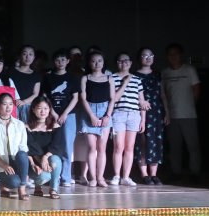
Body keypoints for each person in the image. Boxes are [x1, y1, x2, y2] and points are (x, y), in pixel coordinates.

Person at [161, 43, 201, 182]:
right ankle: (176, 172)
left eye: (176, 53)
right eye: (170, 54)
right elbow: (164, 94)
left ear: (181, 55)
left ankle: (195, 173)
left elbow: (196, 89)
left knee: (192, 146)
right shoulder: (165, 72)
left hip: (188, 115)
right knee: (174, 146)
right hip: (171, 116)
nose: (173, 56)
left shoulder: (189, 70)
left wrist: (190, 105)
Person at [44, 49, 80, 187]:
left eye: (63, 59)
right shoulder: (48, 77)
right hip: (51, 114)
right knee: (52, 145)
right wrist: (53, 113)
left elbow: (75, 98)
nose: (60, 62)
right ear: (54, 62)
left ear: (68, 61)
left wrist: (65, 114)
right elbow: (46, 97)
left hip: (69, 115)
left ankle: (66, 177)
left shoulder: (72, 78)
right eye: (57, 60)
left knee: (67, 146)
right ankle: (54, 176)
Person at [79, 51, 115, 188]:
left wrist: (107, 116)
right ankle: (92, 177)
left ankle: (100, 178)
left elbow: (112, 99)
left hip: (105, 111)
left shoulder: (109, 78)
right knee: (91, 147)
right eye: (93, 61)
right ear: (89, 63)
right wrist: (92, 116)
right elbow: (83, 99)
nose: (97, 63)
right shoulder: (85, 78)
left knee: (102, 148)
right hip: (89, 111)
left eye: (99, 60)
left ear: (104, 62)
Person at [0, 92, 30, 199]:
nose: (8, 107)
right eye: (5, 104)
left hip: (16, 160)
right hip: (0, 162)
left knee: (22, 154)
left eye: (10, 104)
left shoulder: (19, 124)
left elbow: (23, 147)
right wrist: (4, 165)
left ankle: (22, 189)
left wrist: (25, 167)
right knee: (14, 182)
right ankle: (4, 184)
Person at [110, 52, 145, 187]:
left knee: (129, 147)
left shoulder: (137, 79)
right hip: (118, 113)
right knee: (118, 146)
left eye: (126, 61)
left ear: (130, 63)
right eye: (120, 61)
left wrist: (143, 120)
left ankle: (126, 177)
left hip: (134, 115)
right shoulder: (112, 78)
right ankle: (116, 175)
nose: (123, 63)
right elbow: (114, 98)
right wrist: (125, 83)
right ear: (117, 63)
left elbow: (141, 101)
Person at [134, 47, 166, 185]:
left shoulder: (158, 74)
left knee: (156, 141)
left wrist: (167, 112)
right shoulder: (134, 75)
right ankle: (144, 174)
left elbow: (162, 94)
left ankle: (154, 174)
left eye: (150, 55)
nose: (148, 58)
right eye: (144, 55)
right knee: (142, 142)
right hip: (139, 111)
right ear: (139, 58)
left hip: (156, 111)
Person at [25, 95, 64, 198]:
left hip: (49, 161)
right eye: (39, 108)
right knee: (43, 176)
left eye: (46, 108)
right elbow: (28, 148)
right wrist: (35, 162)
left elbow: (57, 146)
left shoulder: (55, 126)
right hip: (33, 162)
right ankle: (37, 186)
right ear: (33, 109)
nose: (43, 111)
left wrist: (45, 157)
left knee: (55, 159)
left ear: (49, 109)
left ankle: (53, 189)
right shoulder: (26, 127)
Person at [10, 45, 41, 121]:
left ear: (34, 57)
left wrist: (23, 102)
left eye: (30, 54)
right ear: (20, 56)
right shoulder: (11, 71)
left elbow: (36, 93)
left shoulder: (36, 75)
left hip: (27, 107)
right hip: (11, 105)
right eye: (24, 54)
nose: (27, 57)